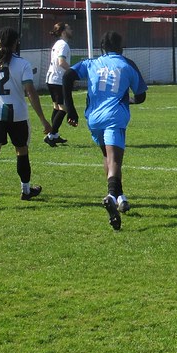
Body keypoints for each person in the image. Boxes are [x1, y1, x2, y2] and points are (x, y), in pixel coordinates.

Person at [63, 31, 148, 230]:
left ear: (102, 48)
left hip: (94, 119)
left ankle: (119, 197)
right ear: (121, 47)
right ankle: (111, 195)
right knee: (116, 160)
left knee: (107, 157)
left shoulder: (91, 63)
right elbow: (142, 95)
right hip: (114, 117)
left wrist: (71, 108)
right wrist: (131, 99)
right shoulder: (127, 64)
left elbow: (67, 76)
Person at [0, 27, 52, 210]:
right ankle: (26, 190)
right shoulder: (23, 64)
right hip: (17, 114)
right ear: (15, 42)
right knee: (22, 151)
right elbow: (30, 92)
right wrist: (43, 119)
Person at [43, 21, 73, 147]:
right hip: (57, 80)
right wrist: (72, 72)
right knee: (64, 108)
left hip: (51, 79)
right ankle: (51, 135)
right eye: (69, 28)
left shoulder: (57, 44)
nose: (71, 30)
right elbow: (61, 62)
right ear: (64, 32)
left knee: (56, 107)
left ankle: (54, 135)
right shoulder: (63, 45)